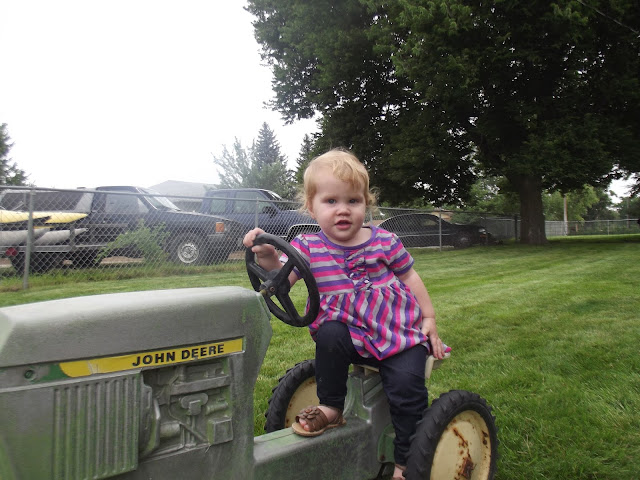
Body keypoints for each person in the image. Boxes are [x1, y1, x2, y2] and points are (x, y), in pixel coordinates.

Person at [243, 148, 447, 480]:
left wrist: (429, 318)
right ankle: (331, 407)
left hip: (395, 335)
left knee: (407, 390)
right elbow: (282, 279)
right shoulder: (308, 247)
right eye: (331, 201)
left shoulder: (384, 241)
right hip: (349, 336)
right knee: (329, 332)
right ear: (312, 207)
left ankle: (405, 463)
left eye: (353, 201)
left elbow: (411, 277)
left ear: (366, 203)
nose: (343, 209)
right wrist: (266, 255)